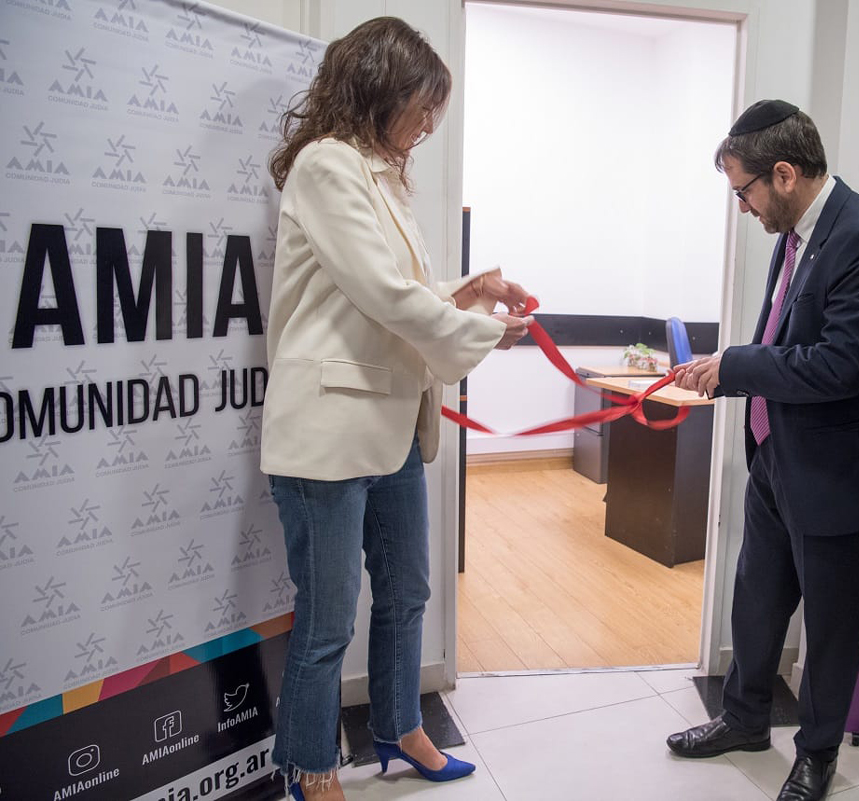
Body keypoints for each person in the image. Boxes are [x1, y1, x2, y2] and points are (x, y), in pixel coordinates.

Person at [261, 17, 530, 801]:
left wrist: (468, 290)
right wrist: (483, 329)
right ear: (379, 87)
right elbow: (379, 294)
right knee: (327, 620)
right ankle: (310, 767)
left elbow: (398, 293)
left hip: (393, 427)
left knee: (409, 589)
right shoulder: (326, 166)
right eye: (420, 109)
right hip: (328, 432)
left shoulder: (379, 173)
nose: (425, 128)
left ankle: (401, 727)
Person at [669, 100, 859, 801]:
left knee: (831, 625)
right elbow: (789, 338)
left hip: (840, 476)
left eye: (745, 191)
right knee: (754, 602)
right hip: (778, 460)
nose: (744, 207)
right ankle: (746, 718)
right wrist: (731, 375)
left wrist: (735, 365)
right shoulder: (798, 232)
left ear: (783, 174)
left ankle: (816, 753)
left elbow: (838, 365)